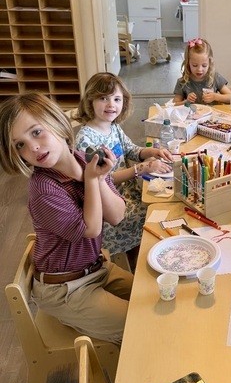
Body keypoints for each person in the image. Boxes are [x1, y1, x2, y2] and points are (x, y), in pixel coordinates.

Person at [0, 92, 133, 344]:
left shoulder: (84, 159)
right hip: (65, 290)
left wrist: (99, 179)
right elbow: (91, 229)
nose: (33, 147)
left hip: (96, 270)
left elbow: (117, 215)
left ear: (58, 122)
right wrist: (92, 179)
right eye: (20, 145)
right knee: (142, 326)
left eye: (36, 132)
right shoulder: (43, 190)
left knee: (155, 296)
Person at [74, 72, 172, 263]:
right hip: (108, 204)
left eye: (117, 99)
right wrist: (140, 168)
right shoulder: (86, 140)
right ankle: (141, 259)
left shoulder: (112, 126)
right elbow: (103, 180)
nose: (111, 104)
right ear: (90, 101)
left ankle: (143, 253)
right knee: (155, 212)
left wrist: (152, 152)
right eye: (103, 98)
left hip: (128, 191)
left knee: (162, 200)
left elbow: (131, 150)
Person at [173, 37, 231, 105]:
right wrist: (186, 101)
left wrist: (215, 96)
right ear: (188, 63)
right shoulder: (182, 82)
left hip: (212, 112)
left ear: (209, 63)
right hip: (192, 112)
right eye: (195, 65)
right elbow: (174, 104)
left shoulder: (215, 77)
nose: (199, 69)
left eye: (204, 65)